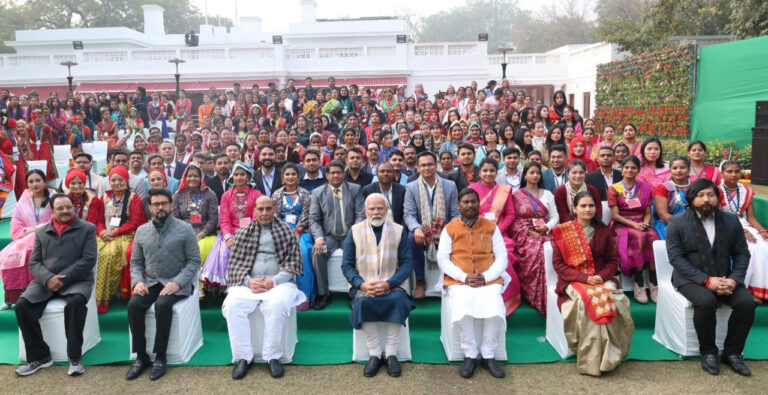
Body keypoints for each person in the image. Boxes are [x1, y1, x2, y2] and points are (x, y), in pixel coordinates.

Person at [666, 178, 754, 376]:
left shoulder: (731, 221)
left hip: (725, 277)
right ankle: (708, 352)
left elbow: (742, 253)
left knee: (747, 303)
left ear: (717, 197)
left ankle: (732, 353)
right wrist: (707, 281)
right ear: (691, 199)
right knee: (706, 301)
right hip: (689, 278)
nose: (706, 199)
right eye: (700, 195)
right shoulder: (677, 222)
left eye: (710, 195)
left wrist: (734, 279)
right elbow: (676, 258)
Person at [14, 193, 98, 377]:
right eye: (60, 208)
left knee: (76, 303)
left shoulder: (87, 228)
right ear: (52, 211)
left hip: (77, 280)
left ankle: (75, 357)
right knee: (22, 306)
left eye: (69, 207)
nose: (66, 211)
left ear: (74, 207)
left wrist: (62, 279)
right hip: (44, 282)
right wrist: (48, 278)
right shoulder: (42, 232)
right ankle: (40, 357)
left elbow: (89, 259)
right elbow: (34, 263)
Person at [223, 196, 306, 380]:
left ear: (274, 209)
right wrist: (248, 282)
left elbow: (292, 264)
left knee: (275, 305)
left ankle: (273, 357)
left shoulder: (286, 230)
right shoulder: (244, 231)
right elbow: (235, 263)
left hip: (279, 283)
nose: (265, 213)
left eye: (268, 209)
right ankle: (243, 357)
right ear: (254, 211)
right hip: (250, 284)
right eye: (260, 209)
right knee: (233, 306)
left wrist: (273, 281)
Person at [552, 191, 634, 376]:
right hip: (574, 280)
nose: (587, 209)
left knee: (617, 301)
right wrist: (585, 279)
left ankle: (611, 353)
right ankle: (593, 360)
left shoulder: (603, 231)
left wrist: (601, 277)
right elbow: (558, 265)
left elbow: (612, 261)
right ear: (574, 208)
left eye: (590, 206)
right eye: (583, 206)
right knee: (587, 303)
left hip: (601, 279)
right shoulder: (563, 232)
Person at [126, 188, 201, 381]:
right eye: (156, 204)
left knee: (163, 305)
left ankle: (160, 357)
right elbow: (136, 262)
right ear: (150, 207)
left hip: (177, 282)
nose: (161, 207)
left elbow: (194, 260)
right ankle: (141, 356)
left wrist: (177, 283)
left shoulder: (185, 228)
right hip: (151, 282)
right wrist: (138, 281)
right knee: (134, 305)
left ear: (171, 205)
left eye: (164, 204)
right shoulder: (142, 231)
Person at [436, 188, 507, 379]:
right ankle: (470, 352)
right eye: (465, 202)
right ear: (458, 205)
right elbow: (442, 259)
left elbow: (502, 258)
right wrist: (463, 277)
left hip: (488, 279)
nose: (469, 205)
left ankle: (489, 353)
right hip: (459, 280)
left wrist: (486, 276)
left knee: (494, 302)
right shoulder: (450, 228)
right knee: (463, 301)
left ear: (479, 204)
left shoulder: (491, 226)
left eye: (473, 202)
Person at [342, 193, 414, 378]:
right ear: (365, 211)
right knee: (364, 303)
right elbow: (347, 265)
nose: (376, 212)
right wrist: (362, 285)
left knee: (398, 300)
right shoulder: (355, 230)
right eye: (372, 209)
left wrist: (389, 284)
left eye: (380, 208)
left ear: (387, 209)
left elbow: (407, 263)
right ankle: (374, 353)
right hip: (364, 286)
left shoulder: (399, 230)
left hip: (393, 285)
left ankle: (390, 354)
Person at [309, 161, 366, 309]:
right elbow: (314, 219)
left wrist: (355, 233)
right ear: (326, 175)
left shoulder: (355, 189)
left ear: (344, 174)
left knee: (358, 252)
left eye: (339, 172)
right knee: (317, 253)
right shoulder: (318, 192)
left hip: (350, 234)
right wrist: (319, 238)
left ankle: (354, 293)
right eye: (332, 173)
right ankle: (323, 293)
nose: (335, 175)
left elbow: (361, 214)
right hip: (329, 236)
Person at [404, 151, 460, 299]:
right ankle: (421, 281)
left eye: (430, 164)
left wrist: (448, 229)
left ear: (436, 166)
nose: (427, 168)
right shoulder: (411, 187)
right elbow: (408, 214)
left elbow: (455, 212)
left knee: (456, 236)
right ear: (418, 168)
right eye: (423, 165)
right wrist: (416, 228)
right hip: (422, 229)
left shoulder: (450, 185)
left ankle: (450, 278)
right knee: (411, 239)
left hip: (445, 228)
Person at [468, 158, 521, 315]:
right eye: (485, 170)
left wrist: (497, 230)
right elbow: (468, 212)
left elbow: (510, 214)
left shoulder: (504, 190)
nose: (488, 174)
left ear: (496, 172)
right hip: (476, 232)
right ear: (480, 172)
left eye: (492, 170)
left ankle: (505, 301)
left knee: (506, 256)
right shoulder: (472, 188)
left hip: (500, 234)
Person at [93, 166, 147, 313]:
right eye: (113, 180)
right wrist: (102, 231)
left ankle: (107, 295)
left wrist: (116, 232)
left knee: (108, 255)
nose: (117, 183)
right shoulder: (103, 198)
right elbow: (98, 220)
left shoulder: (133, 198)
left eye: (120, 180)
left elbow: (134, 222)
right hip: (105, 234)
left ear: (126, 180)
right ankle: (95, 297)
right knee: (95, 252)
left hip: (126, 234)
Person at [200, 161, 261, 291]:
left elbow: (257, 217)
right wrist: (227, 237)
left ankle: (247, 286)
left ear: (248, 176)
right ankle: (228, 289)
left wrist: (247, 234)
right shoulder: (226, 195)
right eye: (236, 174)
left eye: (242, 174)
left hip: (251, 233)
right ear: (232, 176)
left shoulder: (256, 194)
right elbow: (224, 219)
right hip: (230, 233)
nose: (239, 177)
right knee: (224, 252)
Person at [0, 170, 54, 311]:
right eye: (31, 181)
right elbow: (16, 223)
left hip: (49, 235)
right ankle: (12, 298)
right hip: (25, 237)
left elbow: (57, 219)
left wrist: (37, 229)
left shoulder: (54, 197)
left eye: (38, 180)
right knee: (11, 258)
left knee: (31, 253)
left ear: (44, 181)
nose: (34, 184)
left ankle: (38, 295)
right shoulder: (24, 200)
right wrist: (28, 232)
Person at [608, 155, 659, 304]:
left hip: (641, 222)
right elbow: (615, 215)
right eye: (627, 167)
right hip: (622, 224)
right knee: (639, 237)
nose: (630, 170)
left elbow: (648, 212)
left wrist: (645, 223)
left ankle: (653, 280)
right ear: (622, 170)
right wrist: (635, 225)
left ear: (638, 170)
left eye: (633, 168)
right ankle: (638, 282)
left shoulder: (646, 187)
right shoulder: (614, 188)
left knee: (653, 237)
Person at [510, 162, 559, 315]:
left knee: (552, 248)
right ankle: (532, 295)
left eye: (538, 173)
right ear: (525, 175)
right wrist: (528, 232)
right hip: (524, 235)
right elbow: (514, 220)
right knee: (536, 250)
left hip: (546, 232)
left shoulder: (548, 194)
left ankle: (548, 293)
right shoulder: (516, 195)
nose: (535, 175)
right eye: (531, 172)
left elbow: (555, 216)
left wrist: (547, 227)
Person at [718, 161, 768, 304]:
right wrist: (742, 231)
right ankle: (745, 290)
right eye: (729, 171)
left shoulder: (747, 190)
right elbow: (718, 216)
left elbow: (750, 217)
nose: (734, 174)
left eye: (737, 171)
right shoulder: (716, 190)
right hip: (724, 225)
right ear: (722, 174)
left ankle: (761, 289)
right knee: (749, 248)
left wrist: (762, 230)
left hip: (744, 223)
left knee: (764, 244)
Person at [270, 164, 315, 311]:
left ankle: (305, 295)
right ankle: (277, 294)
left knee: (302, 253)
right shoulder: (277, 194)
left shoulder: (304, 194)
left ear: (298, 177)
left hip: (302, 230)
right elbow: (274, 215)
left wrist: (298, 231)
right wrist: (284, 231)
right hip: (281, 229)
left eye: (293, 174)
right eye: (287, 174)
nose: (290, 177)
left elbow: (307, 214)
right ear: (283, 178)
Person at [172, 163, 219, 266]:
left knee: (201, 248)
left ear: (201, 177)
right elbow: (174, 219)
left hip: (205, 234)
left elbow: (213, 219)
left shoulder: (209, 194)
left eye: (195, 176)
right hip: (183, 232)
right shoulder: (178, 195)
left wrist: (201, 235)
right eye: (189, 176)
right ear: (185, 178)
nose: (192, 179)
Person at [554, 160, 602, 224]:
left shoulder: (592, 190)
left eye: (581, 172)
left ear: (585, 174)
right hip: (569, 226)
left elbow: (598, 212)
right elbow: (562, 215)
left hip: (591, 224)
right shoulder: (560, 191)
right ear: (568, 174)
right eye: (574, 172)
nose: (578, 176)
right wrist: (577, 227)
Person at [653, 157, 691, 240]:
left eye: (682, 168)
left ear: (689, 169)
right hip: (669, 224)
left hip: (693, 224)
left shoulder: (695, 186)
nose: (678, 171)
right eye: (674, 168)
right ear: (670, 170)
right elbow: (663, 214)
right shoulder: (664, 188)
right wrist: (682, 226)